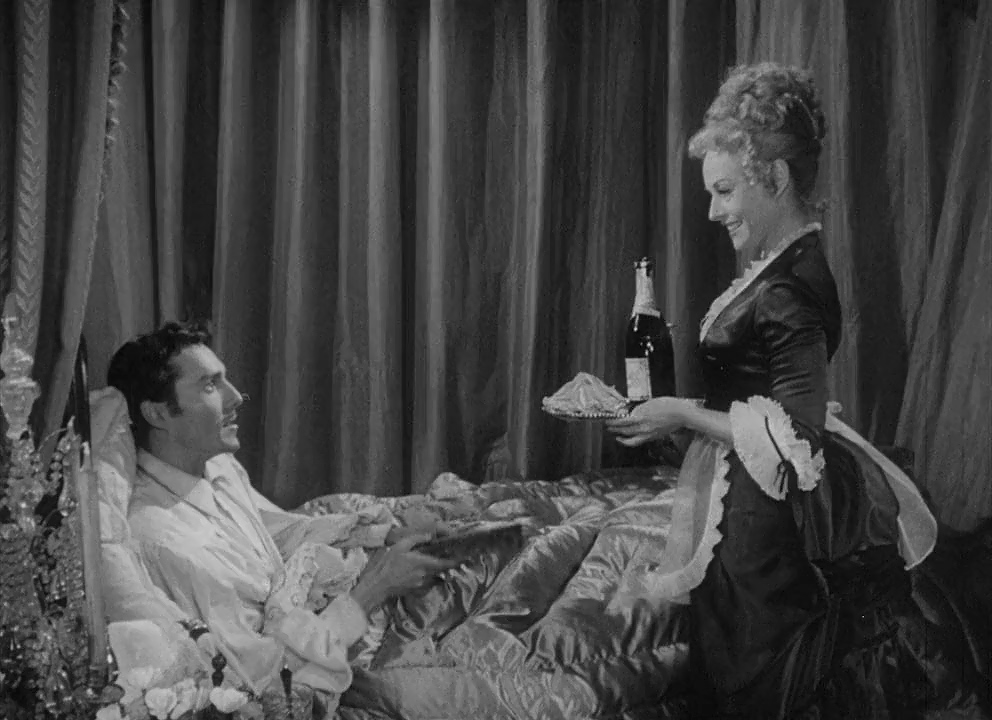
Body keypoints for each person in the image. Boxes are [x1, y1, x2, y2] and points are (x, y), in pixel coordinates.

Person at [605, 62, 947, 719]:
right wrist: (680, 411)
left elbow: (797, 433)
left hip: (764, 528)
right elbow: (765, 397)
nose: (714, 211)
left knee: (754, 675)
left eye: (725, 191)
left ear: (777, 178)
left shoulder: (787, 287)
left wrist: (680, 413)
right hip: (746, 501)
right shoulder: (781, 266)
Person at [107, 321, 457, 701]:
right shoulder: (165, 541)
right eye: (209, 385)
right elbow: (265, 678)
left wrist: (384, 534)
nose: (236, 396)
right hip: (311, 669)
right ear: (157, 414)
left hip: (320, 625)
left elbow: (272, 532)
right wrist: (376, 587)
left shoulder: (215, 465)